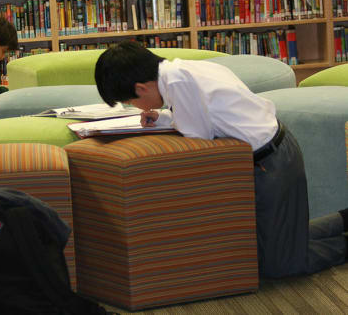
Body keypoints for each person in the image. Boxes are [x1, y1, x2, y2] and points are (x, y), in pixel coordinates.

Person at [94, 40, 348, 278]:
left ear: (141, 88)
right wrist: (162, 118)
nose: (137, 107)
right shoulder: (183, 71)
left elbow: (198, 139)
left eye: (130, 101)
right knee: (270, 244)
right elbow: (206, 117)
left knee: (281, 264)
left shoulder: (181, 85)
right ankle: (344, 219)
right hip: (274, 153)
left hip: (272, 163)